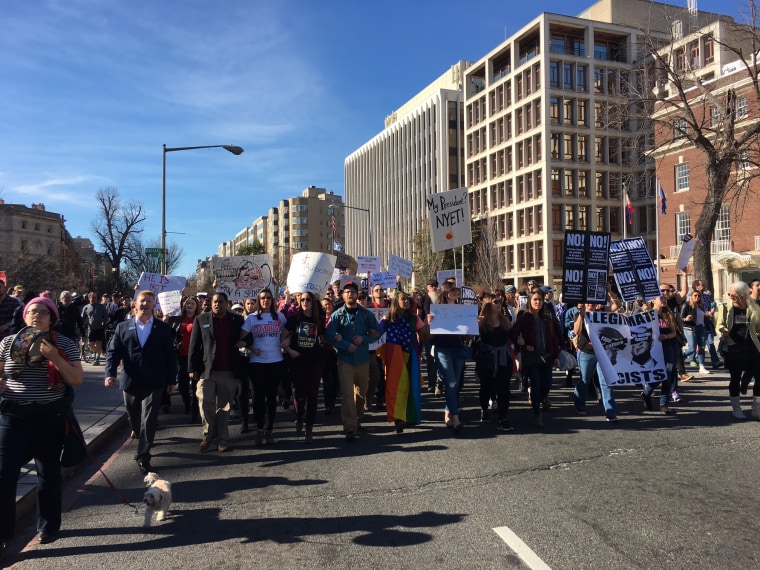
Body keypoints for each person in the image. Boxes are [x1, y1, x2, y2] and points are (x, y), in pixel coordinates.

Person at [0, 297, 84, 553]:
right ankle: (3, 533)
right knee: (4, 475)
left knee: (47, 473)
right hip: (14, 416)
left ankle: (48, 526)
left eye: (43, 313)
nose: (37, 316)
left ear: (52, 319)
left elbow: (76, 379)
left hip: (49, 417)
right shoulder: (8, 343)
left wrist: (54, 357)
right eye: (32, 312)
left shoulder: (64, 344)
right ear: (24, 317)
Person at [104, 290, 177, 474]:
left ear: (154, 305)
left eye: (149, 301)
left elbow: (170, 356)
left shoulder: (162, 328)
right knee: (134, 416)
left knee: (149, 418)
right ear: (135, 304)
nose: (145, 304)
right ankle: (139, 433)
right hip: (131, 380)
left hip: (154, 381)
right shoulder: (122, 327)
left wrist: (171, 380)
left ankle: (143, 455)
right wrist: (109, 373)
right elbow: (113, 352)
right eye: (142, 301)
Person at [188, 292, 247, 452]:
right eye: (215, 301)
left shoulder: (237, 320)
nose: (217, 304)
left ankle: (222, 440)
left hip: (228, 370)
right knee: (205, 403)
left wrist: (244, 342)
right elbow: (194, 345)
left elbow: (248, 337)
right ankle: (208, 435)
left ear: (227, 303)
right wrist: (191, 368)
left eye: (221, 302)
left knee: (224, 407)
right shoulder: (201, 319)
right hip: (207, 371)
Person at [325, 282, 379, 441]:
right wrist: (344, 345)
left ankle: (358, 418)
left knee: (361, 393)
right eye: (347, 292)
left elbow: (376, 332)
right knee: (348, 395)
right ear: (342, 295)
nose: (350, 294)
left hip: (362, 359)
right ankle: (349, 427)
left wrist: (364, 338)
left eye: (353, 292)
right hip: (345, 360)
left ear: (357, 294)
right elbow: (329, 335)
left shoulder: (366, 314)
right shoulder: (338, 314)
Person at [240, 288, 289, 445]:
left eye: (268, 297)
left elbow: (289, 332)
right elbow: (241, 339)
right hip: (257, 362)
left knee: (272, 397)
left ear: (272, 300)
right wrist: (251, 348)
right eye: (262, 298)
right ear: (258, 300)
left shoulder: (279, 316)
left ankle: (269, 430)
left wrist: (286, 341)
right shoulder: (252, 318)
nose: (265, 300)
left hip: (276, 360)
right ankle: (259, 429)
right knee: (259, 397)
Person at [378, 291, 429, 433]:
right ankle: (398, 419)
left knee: (411, 385)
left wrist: (428, 324)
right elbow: (376, 333)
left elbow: (424, 336)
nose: (406, 301)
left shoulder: (414, 317)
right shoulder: (389, 317)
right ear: (396, 301)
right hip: (395, 354)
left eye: (408, 299)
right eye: (403, 299)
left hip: (411, 354)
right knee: (395, 386)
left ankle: (410, 416)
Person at [510, 290, 561, 427]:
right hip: (532, 357)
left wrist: (556, 356)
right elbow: (513, 334)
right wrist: (523, 343)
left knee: (547, 384)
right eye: (535, 300)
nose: (538, 302)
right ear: (530, 302)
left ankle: (537, 397)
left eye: (540, 300)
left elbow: (553, 339)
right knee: (537, 383)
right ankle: (537, 413)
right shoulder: (524, 317)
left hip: (547, 356)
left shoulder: (546, 318)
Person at [283, 292, 325, 443]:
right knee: (300, 394)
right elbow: (283, 336)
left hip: (315, 360)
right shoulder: (294, 319)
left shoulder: (319, 319)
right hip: (297, 360)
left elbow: (322, 337)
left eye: (308, 299)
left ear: (313, 302)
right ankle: (299, 416)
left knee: (313, 394)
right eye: (302, 300)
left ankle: (309, 429)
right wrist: (289, 350)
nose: (305, 302)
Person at [427, 282, 467, 433]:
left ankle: (447, 411)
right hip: (443, 349)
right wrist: (429, 322)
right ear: (445, 292)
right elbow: (429, 335)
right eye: (452, 290)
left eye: (457, 290)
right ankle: (456, 418)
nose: (456, 292)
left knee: (454, 384)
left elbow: (467, 333)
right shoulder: (437, 310)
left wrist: (473, 323)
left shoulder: (462, 309)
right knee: (450, 383)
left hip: (458, 349)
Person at [723, 281, 760, 420]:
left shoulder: (754, 308)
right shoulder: (726, 307)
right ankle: (736, 409)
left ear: (743, 295)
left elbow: (758, 326)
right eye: (729, 294)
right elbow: (720, 323)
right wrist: (723, 330)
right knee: (735, 378)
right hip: (734, 346)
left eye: (734, 295)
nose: (731, 297)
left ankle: (756, 409)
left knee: (759, 376)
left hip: (752, 346)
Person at [475, 300, 513, 431]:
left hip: (503, 358)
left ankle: (503, 418)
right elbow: (470, 337)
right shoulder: (481, 322)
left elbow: (511, 335)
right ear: (488, 304)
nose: (499, 304)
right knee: (486, 387)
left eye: (500, 302)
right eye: (495, 301)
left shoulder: (505, 320)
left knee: (503, 389)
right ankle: (484, 409)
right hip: (486, 358)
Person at [641, 296, 677, 414]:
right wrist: (645, 312)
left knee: (667, 375)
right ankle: (647, 393)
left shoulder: (668, 314)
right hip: (653, 350)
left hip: (667, 348)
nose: (664, 300)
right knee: (658, 374)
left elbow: (673, 333)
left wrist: (666, 336)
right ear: (653, 300)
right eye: (660, 298)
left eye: (665, 298)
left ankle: (664, 404)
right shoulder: (649, 314)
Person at [173, 296, 200, 417]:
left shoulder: (200, 319)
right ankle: (187, 402)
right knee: (183, 385)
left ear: (196, 306)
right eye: (188, 303)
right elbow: (171, 334)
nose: (190, 305)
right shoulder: (178, 319)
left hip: (195, 357)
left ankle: (195, 410)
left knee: (195, 386)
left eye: (193, 303)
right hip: (181, 356)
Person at [681, 290, 711, 376]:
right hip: (690, 328)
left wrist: (707, 315)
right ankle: (679, 359)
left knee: (701, 347)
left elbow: (702, 317)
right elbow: (681, 317)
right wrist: (686, 319)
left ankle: (702, 367)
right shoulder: (686, 305)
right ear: (691, 296)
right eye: (695, 295)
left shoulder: (700, 305)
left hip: (701, 327)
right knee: (692, 348)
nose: (697, 297)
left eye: (699, 296)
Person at [81, 292, 108, 365]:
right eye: (92, 297)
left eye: (95, 297)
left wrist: (104, 322)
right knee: (90, 344)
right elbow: (82, 318)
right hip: (91, 328)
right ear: (89, 298)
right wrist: (82, 325)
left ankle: (97, 360)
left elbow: (106, 317)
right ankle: (98, 351)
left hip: (100, 328)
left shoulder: (101, 307)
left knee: (98, 344)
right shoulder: (86, 307)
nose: (93, 299)